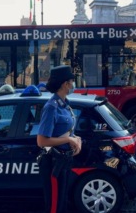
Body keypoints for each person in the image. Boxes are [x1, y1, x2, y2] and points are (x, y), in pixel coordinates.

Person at [36, 65, 82, 213]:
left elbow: (64, 131)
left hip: (64, 160)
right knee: (55, 206)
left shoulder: (65, 104)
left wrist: (75, 139)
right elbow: (41, 141)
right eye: (71, 81)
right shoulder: (52, 107)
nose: (73, 84)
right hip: (53, 162)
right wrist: (69, 140)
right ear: (65, 84)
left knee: (62, 203)